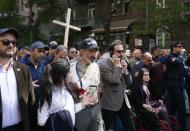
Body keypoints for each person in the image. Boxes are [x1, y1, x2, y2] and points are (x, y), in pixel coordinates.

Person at [0, 28, 36, 131]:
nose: (11, 45)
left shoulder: (24, 70)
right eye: (6, 42)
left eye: (14, 42)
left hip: (20, 127)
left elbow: (31, 104)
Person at [98, 40, 136, 131]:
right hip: (110, 102)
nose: (122, 53)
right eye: (119, 51)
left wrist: (126, 70)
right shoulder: (103, 64)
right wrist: (117, 67)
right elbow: (114, 80)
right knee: (105, 126)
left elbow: (130, 82)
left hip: (123, 100)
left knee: (130, 126)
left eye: (122, 51)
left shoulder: (123, 61)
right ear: (112, 52)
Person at [70, 38, 104, 131]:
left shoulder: (96, 65)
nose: (94, 54)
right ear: (81, 51)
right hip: (80, 110)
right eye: (91, 51)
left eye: (95, 51)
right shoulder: (71, 67)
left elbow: (96, 87)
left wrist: (99, 108)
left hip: (95, 109)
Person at [164, 41, 187, 131]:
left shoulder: (179, 58)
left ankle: (171, 126)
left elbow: (183, 70)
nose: (181, 48)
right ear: (173, 48)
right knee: (181, 107)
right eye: (179, 46)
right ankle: (182, 127)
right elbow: (178, 64)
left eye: (181, 46)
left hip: (178, 84)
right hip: (173, 85)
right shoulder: (170, 57)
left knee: (172, 107)